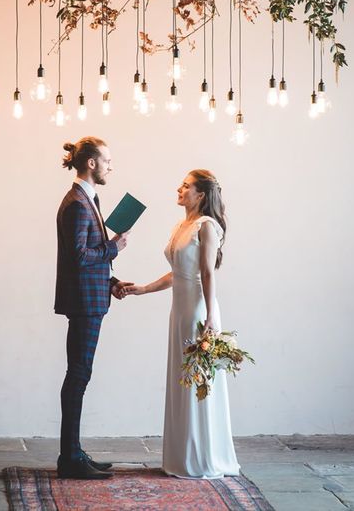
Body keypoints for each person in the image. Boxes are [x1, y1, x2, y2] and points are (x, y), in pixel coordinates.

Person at [123, 169, 240, 479]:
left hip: (199, 311)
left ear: (200, 194)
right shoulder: (180, 226)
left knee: (199, 381)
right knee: (181, 379)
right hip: (179, 311)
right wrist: (144, 289)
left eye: (186, 186)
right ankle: (180, 456)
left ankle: (203, 458)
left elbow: (207, 273)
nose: (179, 188)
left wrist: (211, 317)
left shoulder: (207, 227)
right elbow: (179, 273)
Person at [54, 137, 132, 480]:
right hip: (84, 304)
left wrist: (112, 282)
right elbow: (80, 257)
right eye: (107, 160)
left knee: (80, 375)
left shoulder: (88, 199)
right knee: (78, 376)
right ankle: (69, 458)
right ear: (91, 163)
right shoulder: (76, 203)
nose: (110, 166)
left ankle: (74, 452)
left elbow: (87, 258)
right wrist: (114, 248)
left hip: (93, 298)